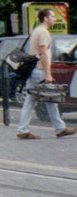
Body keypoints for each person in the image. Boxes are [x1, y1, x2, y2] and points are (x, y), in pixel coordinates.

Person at [16, 7, 77, 139]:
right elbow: (43, 52)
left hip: (35, 70)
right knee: (43, 99)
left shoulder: (36, 31)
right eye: (53, 16)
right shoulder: (43, 32)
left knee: (46, 100)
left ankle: (58, 128)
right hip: (40, 70)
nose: (55, 19)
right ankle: (24, 130)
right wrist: (48, 73)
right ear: (46, 18)